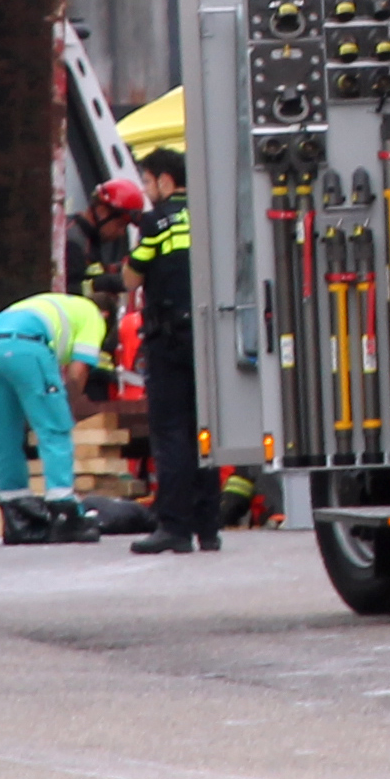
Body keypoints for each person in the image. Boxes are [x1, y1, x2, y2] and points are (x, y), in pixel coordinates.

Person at [124, 149, 219, 554]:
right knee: (206, 431)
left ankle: (175, 528)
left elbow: (131, 277)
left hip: (168, 339)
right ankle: (209, 529)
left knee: (171, 433)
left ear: (165, 180)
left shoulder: (155, 221)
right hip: (208, 335)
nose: (146, 191)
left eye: (146, 182)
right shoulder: (208, 213)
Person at [0, 289, 109, 545]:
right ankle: (65, 515)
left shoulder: (56, 303)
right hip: (26, 345)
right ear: (106, 314)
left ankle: (17, 517)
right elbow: (76, 373)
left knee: (5, 433)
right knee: (55, 429)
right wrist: (67, 406)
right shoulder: (93, 315)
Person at [65, 177, 148, 310]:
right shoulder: (73, 243)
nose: (121, 233)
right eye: (120, 225)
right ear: (102, 211)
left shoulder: (90, 238)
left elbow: (92, 270)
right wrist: (101, 285)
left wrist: (125, 269)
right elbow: (64, 293)